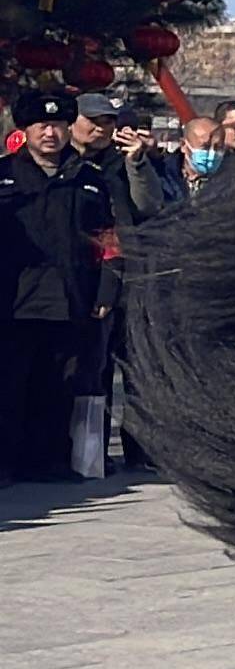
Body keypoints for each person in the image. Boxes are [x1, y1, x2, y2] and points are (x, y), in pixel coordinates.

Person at [0, 91, 112, 482]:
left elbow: (109, 240)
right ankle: (8, 460)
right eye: (42, 126)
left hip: (70, 297)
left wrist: (105, 294)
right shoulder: (5, 176)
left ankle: (49, 459)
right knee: (11, 383)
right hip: (13, 300)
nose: (51, 133)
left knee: (58, 384)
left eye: (58, 126)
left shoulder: (90, 180)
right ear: (25, 130)